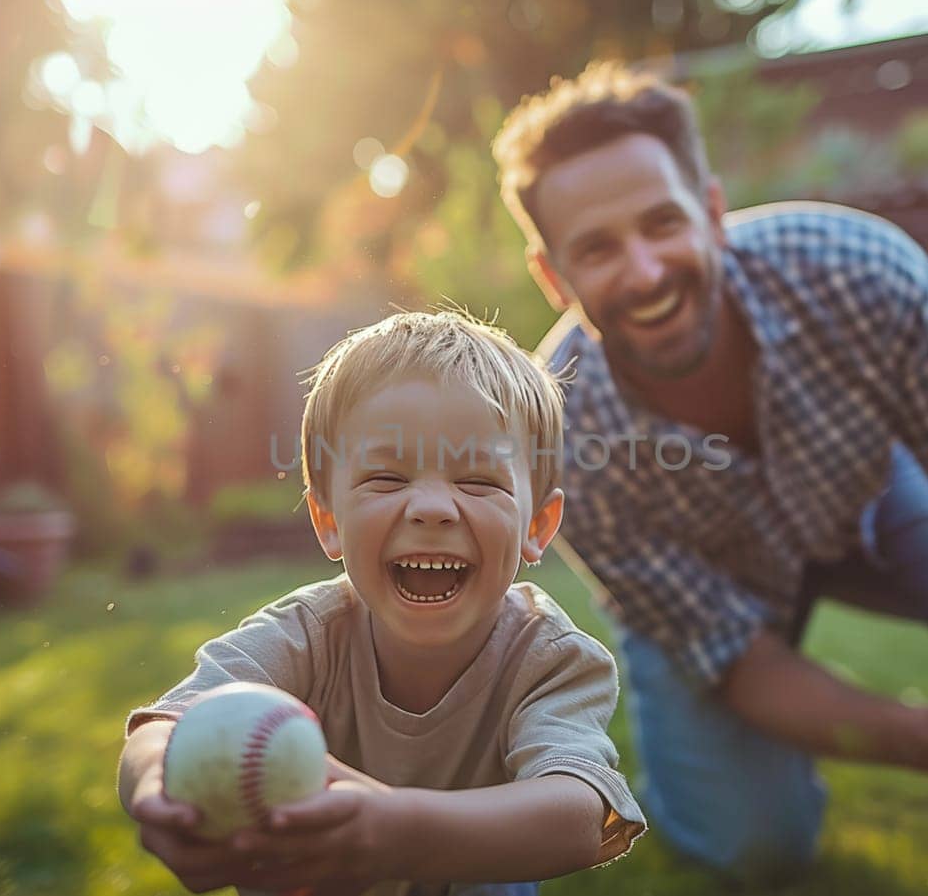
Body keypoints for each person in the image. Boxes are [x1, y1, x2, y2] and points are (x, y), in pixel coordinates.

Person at [490, 62, 928, 881]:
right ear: (555, 277)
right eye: (597, 248)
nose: (647, 271)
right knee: (752, 847)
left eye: (664, 223)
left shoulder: (862, 270)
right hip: (719, 589)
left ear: (715, 213)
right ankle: (714, 764)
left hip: (871, 497)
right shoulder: (564, 435)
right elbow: (736, 654)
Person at [117, 311, 646, 896]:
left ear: (538, 525)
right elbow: (164, 727)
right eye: (387, 479)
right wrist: (152, 790)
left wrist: (397, 830)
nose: (431, 507)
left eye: (478, 481)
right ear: (328, 520)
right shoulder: (305, 636)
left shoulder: (550, 660)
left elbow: (578, 816)